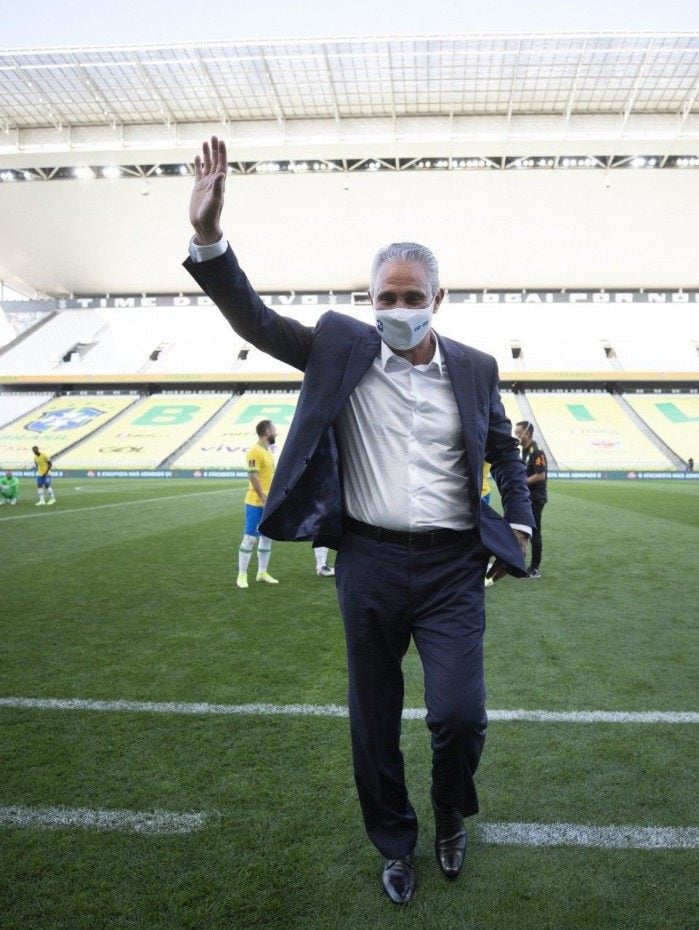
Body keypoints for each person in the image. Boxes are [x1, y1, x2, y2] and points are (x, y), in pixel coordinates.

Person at [185, 137, 533, 905]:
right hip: (368, 563)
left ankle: (450, 813)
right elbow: (256, 320)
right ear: (369, 296)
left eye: (412, 297)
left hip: (450, 569)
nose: (398, 309)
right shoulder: (342, 347)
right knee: (372, 721)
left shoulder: (475, 368)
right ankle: (396, 841)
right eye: (387, 296)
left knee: (459, 716)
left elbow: (506, 454)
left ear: (437, 299)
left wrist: (523, 524)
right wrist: (209, 238)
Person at [237, 420, 279, 588]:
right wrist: (263, 497)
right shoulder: (254, 451)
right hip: (256, 501)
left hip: (268, 502)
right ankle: (242, 575)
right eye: (274, 429)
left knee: (267, 537)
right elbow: (253, 477)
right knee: (249, 538)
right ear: (267, 431)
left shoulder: (267, 451)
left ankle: (262, 572)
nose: (276, 432)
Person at [514, 421, 547, 578]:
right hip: (527, 497)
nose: (516, 435)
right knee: (522, 531)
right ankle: (518, 563)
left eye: (518, 433)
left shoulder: (536, 451)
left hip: (536, 498)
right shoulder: (525, 451)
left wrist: (522, 481)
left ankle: (534, 569)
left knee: (534, 532)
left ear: (526, 434)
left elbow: (540, 475)